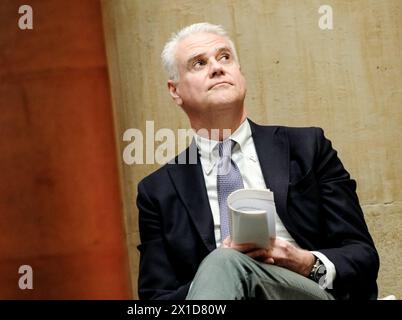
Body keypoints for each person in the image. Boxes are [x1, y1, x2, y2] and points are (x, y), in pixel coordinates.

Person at [136, 22, 379, 300]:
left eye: (225, 57)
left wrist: (304, 261)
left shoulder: (307, 147)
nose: (217, 67)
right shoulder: (157, 192)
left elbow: (362, 255)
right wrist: (218, 275)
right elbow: (155, 299)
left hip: (305, 292)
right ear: (175, 90)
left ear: (241, 73)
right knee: (223, 262)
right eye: (199, 63)